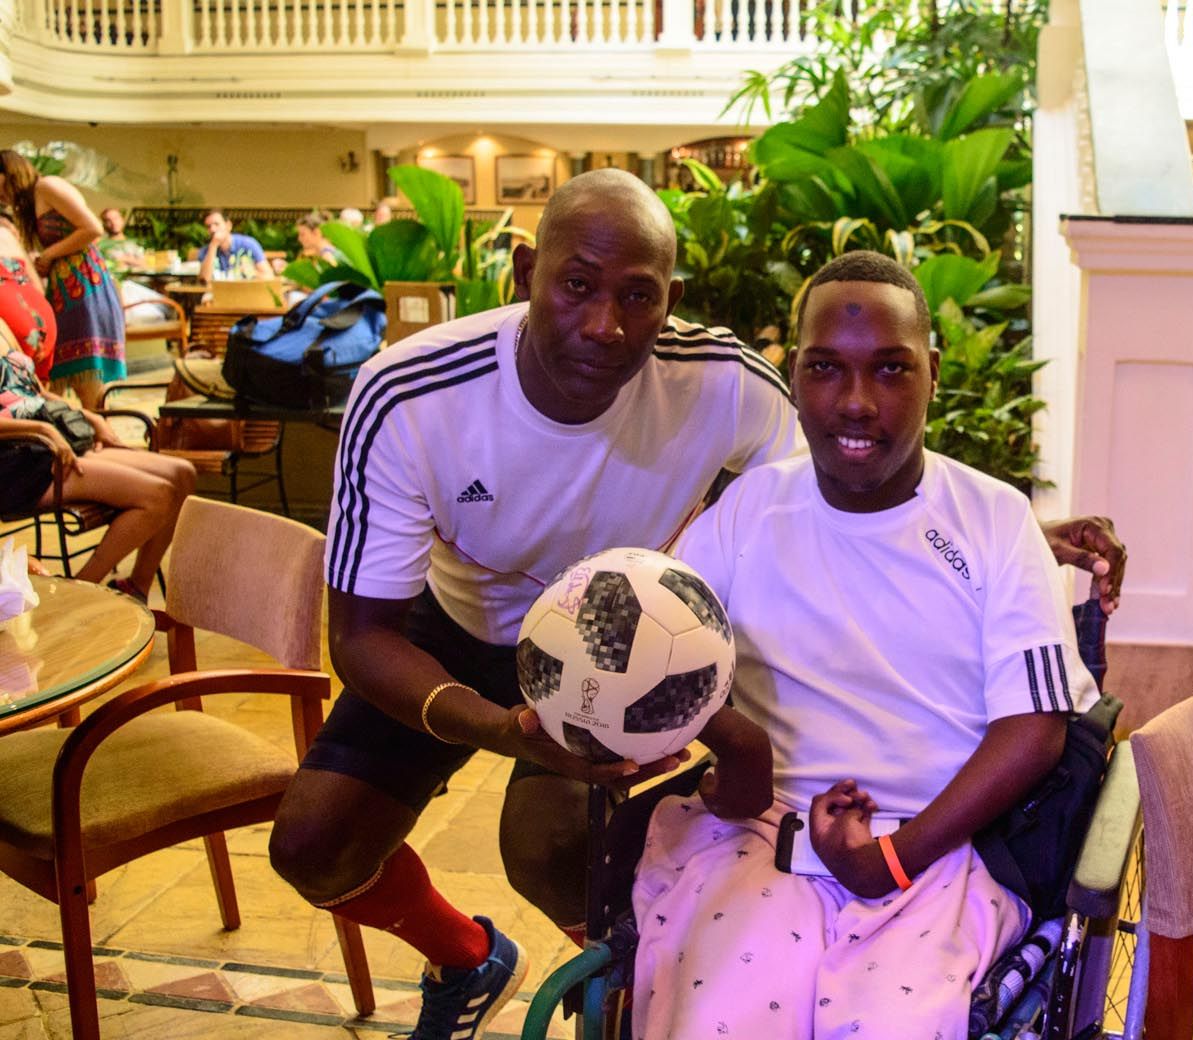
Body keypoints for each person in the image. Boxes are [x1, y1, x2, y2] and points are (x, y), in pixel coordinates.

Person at [265, 170, 1125, 1040]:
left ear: (669, 301)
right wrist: (493, 723)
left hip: (635, 629)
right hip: (450, 626)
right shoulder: (410, 390)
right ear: (523, 272)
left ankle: (632, 977)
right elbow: (363, 635)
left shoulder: (728, 384)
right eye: (576, 285)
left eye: (638, 297)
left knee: (551, 840)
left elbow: (853, 478)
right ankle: (469, 955)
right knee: (312, 843)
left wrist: (1004, 529)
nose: (606, 324)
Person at [630, 250, 1095, 1039]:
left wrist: (895, 856)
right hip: (761, 839)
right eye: (824, 370)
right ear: (793, 376)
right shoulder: (751, 511)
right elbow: (660, 652)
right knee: (716, 1016)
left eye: (889, 370)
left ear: (933, 373)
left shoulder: (993, 520)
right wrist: (737, 749)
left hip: (941, 853)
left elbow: (1036, 730)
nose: (855, 403)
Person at [0, 310, 194, 600]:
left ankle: (136, 586)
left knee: (183, 473)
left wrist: (91, 417)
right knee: (158, 495)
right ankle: (78, 591)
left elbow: (35, 392)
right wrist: (43, 429)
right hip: (20, 459)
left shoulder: (3, 323)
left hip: (55, 440)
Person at [0, 150, 125, 411]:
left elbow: (93, 228)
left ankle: (100, 433)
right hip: (64, 288)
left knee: (89, 374)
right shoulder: (30, 203)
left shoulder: (47, 186)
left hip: (86, 286)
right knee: (60, 373)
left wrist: (48, 255)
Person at [0, 211, 56, 375]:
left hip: (10, 324)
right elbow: (38, 287)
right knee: (32, 395)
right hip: (43, 320)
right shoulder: (6, 233)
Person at [198, 208, 272, 283]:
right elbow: (204, 281)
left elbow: (269, 277)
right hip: (217, 293)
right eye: (208, 226)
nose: (212, 229)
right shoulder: (206, 251)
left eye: (216, 224)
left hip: (245, 291)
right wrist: (213, 247)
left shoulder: (248, 244)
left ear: (228, 225)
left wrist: (251, 272)